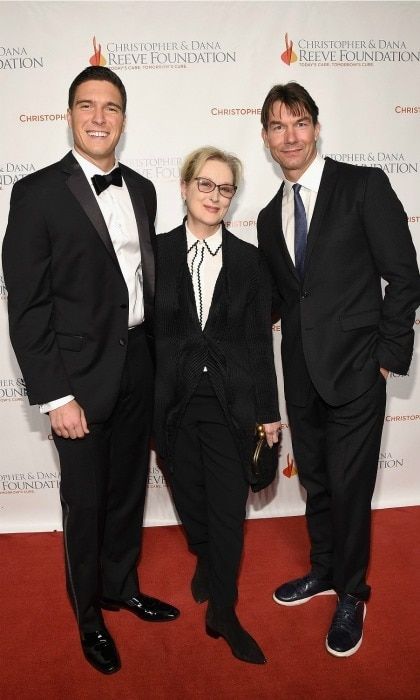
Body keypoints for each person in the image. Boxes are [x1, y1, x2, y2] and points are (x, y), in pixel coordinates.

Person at [2, 66, 179, 675]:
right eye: (87, 105)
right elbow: (26, 309)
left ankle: (119, 586)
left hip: (139, 365)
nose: (100, 117)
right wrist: (56, 397)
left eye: (111, 107)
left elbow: (146, 284)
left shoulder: (146, 190)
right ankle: (88, 619)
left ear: (124, 119)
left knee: (128, 492)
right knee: (85, 502)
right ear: (70, 115)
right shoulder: (36, 193)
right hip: (77, 379)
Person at [257, 82, 420, 657]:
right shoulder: (265, 215)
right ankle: (324, 569)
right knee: (320, 483)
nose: (290, 136)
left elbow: (405, 275)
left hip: (357, 371)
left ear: (317, 127)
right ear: (266, 140)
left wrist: (386, 360)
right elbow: (281, 299)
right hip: (300, 373)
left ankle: (352, 591)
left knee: (351, 488)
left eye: (299, 122)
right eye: (278, 127)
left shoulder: (363, 185)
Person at [153, 146, 281, 664]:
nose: (214, 196)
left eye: (224, 188)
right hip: (173, 405)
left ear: (233, 198)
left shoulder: (250, 261)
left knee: (229, 509)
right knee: (192, 502)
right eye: (205, 184)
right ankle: (205, 557)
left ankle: (223, 611)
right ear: (184, 188)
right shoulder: (155, 253)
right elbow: (142, 337)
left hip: (233, 406)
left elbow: (258, 343)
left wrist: (268, 413)